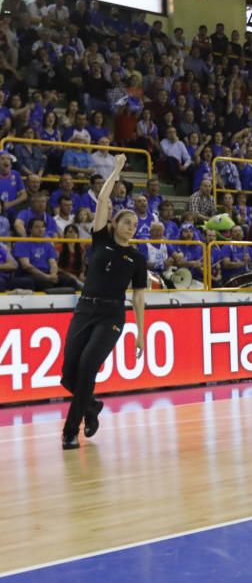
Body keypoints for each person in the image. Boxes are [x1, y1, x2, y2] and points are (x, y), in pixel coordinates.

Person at [60, 154, 147, 449]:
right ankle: (91, 406)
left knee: (86, 368)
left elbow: (137, 296)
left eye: (136, 223)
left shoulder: (137, 259)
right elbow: (102, 200)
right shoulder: (101, 240)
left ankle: (71, 430)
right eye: (127, 221)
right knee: (68, 375)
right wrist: (117, 170)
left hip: (111, 316)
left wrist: (140, 332)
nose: (132, 226)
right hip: (85, 309)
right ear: (114, 224)